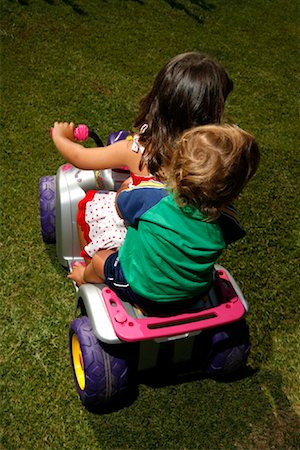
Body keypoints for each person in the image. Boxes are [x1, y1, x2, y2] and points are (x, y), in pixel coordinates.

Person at [51, 51, 234, 260]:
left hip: (136, 236)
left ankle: (89, 261)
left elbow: (81, 158)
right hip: (176, 239)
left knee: (94, 204)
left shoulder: (139, 150)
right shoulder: (209, 161)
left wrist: (60, 137)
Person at [68, 124, 260, 314]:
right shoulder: (228, 218)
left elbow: (120, 205)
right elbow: (230, 235)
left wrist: (127, 187)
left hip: (143, 290)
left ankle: (83, 277)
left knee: (101, 260)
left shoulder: (152, 198)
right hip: (194, 292)